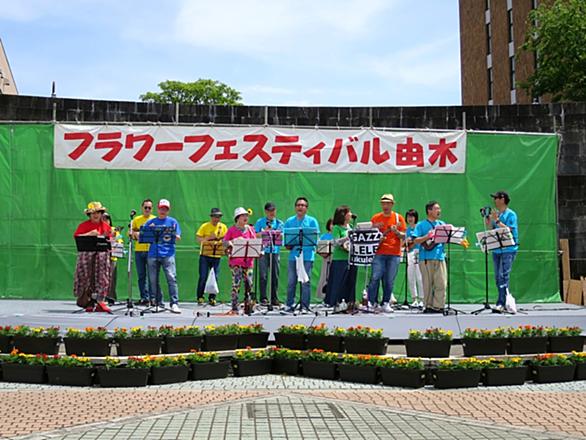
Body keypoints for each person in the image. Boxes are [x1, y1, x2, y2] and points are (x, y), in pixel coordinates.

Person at [366, 194, 406, 313]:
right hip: (378, 252)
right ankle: (372, 302)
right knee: (375, 277)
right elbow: (369, 235)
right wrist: (377, 233)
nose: (385, 206)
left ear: (392, 204)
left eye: (388, 203)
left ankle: (385, 302)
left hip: (394, 252)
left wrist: (397, 232)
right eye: (383, 203)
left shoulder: (398, 218)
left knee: (389, 280)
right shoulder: (376, 218)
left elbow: (404, 235)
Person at [73, 201, 112, 313]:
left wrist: (110, 238)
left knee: (102, 277)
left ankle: (100, 301)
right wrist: (89, 234)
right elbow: (77, 237)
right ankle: (88, 301)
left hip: (101, 258)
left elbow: (110, 242)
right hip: (87, 256)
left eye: (98, 212)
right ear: (89, 214)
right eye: (93, 213)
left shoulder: (105, 226)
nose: (96, 215)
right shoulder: (83, 225)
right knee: (86, 277)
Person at [144, 199, 182, 314]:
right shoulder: (151, 222)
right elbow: (143, 235)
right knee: (153, 280)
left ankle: (174, 303)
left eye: (165, 209)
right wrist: (146, 231)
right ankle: (157, 303)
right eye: (161, 208)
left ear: (168, 210)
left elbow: (178, 237)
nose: (163, 211)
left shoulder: (173, 222)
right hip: (153, 254)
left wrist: (173, 234)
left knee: (171, 278)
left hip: (168, 254)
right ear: (158, 209)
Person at [283, 197, 320, 312]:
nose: (300, 207)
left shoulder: (312, 221)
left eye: (303, 205)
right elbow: (286, 241)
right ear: (295, 207)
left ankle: (305, 306)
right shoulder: (289, 221)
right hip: (294, 255)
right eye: (298, 205)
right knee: (291, 281)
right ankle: (289, 304)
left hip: (307, 255)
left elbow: (315, 239)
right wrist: (289, 244)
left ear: (306, 208)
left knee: (305, 282)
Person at [412, 201, 447, 313]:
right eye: (436, 209)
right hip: (426, 258)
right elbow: (415, 240)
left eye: (439, 208)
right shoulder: (421, 225)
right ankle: (428, 306)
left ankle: (439, 306)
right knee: (427, 283)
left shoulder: (442, 224)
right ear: (429, 211)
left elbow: (447, 237)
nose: (439, 211)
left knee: (441, 283)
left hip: (440, 257)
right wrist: (427, 236)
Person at [488, 191, 519, 312]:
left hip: (508, 249)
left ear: (502, 199)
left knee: (503, 275)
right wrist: (489, 221)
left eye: (496, 198)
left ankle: (502, 302)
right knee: (497, 276)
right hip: (497, 249)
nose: (494, 200)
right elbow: (492, 230)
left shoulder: (511, 214)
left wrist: (496, 221)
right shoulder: (497, 215)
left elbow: (509, 229)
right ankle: (503, 301)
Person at [223, 207, 257, 314]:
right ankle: (234, 306)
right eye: (243, 216)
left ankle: (248, 305)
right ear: (237, 218)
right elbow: (224, 242)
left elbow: (255, 242)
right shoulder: (231, 230)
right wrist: (233, 241)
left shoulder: (250, 229)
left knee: (249, 283)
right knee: (236, 283)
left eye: (246, 216)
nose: (246, 218)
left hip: (248, 261)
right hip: (236, 262)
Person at [326, 206, 357, 313]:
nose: (351, 214)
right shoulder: (337, 228)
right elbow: (335, 242)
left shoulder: (351, 227)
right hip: (340, 259)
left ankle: (349, 302)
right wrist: (347, 237)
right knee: (339, 281)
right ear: (343, 215)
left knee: (350, 281)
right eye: (349, 212)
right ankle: (337, 302)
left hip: (351, 258)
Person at [253, 202, 284, 306]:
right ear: (266, 211)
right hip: (263, 251)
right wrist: (264, 232)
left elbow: (282, 236)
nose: (272, 213)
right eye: (270, 211)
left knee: (275, 275)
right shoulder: (260, 222)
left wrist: (275, 233)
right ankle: (263, 298)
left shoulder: (279, 223)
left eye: (273, 210)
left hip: (274, 251)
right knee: (263, 275)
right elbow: (255, 235)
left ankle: (274, 298)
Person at [196, 207, 228, 306]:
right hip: (205, 255)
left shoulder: (223, 227)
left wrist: (222, 243)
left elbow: (226, 239)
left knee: (215, 277)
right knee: (203, 276)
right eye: (215, 216)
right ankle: (200, 296)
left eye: (218, 217)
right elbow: (198, 238)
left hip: (216, 255)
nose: (216, 219)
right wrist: (209, 238)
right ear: (211, 217)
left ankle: (212, 298)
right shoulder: (205, 226)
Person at [130, 199, 156, 306]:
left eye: (149, 208)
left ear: (152, 209)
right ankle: (144, 298)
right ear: (142, 208)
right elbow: (130, 233)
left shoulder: (155, 219)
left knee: (152, 276)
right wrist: (134, 234)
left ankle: (153, 298)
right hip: (139, 250)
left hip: (151, 250)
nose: (147, 209)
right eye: (145, 207)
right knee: (141, 275)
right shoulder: (136, 219)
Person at [103, 212, 124, 304]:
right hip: (100, 258)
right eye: (103, 218)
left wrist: (115, 240)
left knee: (111, 278)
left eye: (107, 218)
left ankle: (111, 297)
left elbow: (120, 240)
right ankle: (100, 297)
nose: (105, 220)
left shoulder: (114, 230)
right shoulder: (98, 229)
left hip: (112, 258)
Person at [405, 209, 424, 308]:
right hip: (410, 254)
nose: (410, 219)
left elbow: (418, 240)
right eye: (408, 217)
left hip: (418, 253)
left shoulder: (419, 227)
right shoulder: (407, 229)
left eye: (412, 216)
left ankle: (422, 299)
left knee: (419, 277)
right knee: (411, 277)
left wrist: (412, 241)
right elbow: (406, 243)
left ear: (415, 217)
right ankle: (414, 299)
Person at [316, 218, 333, 303]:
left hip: (336, 259)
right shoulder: (324, 236)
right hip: (326, 259)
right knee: (324, 277)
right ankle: (324, 297)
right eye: (331, 224)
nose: (333, 226)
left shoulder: (338, 235)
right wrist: (323, 253)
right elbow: (318, 248)